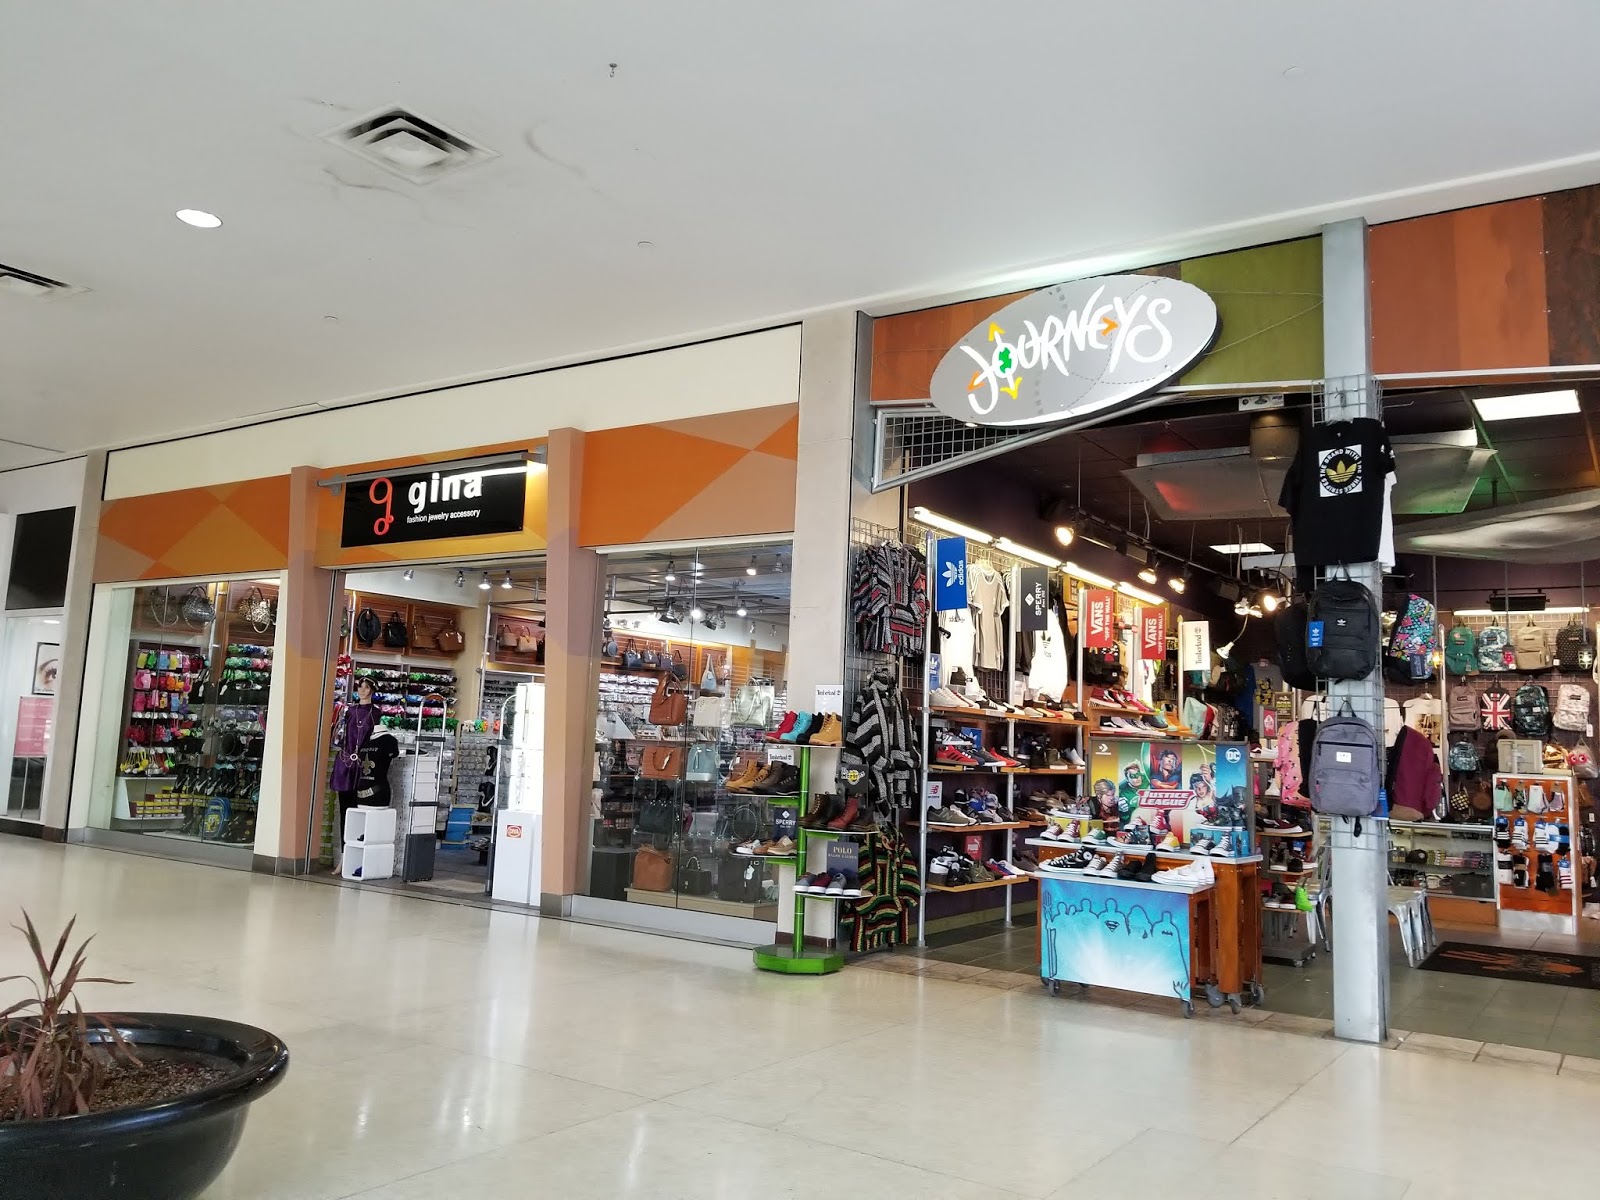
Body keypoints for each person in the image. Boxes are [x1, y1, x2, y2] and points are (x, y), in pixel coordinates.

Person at [331, 679, 380, 857]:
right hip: (346, 764)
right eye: (361, 687)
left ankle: (357, 854)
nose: (363, 690)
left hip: (363, 766)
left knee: (360, 810)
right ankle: (344, 855)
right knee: (345, 810)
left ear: (372, 690)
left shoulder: (376, 713)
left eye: (367, 687)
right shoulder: (349, 711)